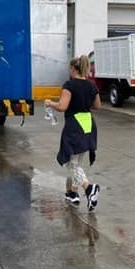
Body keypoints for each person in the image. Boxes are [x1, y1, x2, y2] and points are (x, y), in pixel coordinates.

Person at [45, 55, 101, 211]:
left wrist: (50, 103)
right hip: (88, 125)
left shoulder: (70, 85)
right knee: (77, 162)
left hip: (75, 126)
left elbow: (62, 106)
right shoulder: (91, 85)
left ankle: (89, 188)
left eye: (70, 68)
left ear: (73, 69)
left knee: (71, 163)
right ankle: (73, 194)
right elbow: (97, 106)